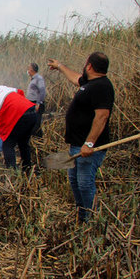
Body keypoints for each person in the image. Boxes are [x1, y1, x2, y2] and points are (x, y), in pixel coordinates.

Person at [47, 52, 114, 222]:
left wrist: (89, 143)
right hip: (76, 145)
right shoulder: (90, 83)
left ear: (89, 66)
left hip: (88, 147)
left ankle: (92, 220)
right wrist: (60, 66)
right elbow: (76, 78)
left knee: (85, 183)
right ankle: (82, 215)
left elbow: (102, 117)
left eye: (85, 64)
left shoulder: (102, 86)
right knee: (74, 180)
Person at [26, 62, 46, 136]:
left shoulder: (39, 79)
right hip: (31, 104)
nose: (27, 71)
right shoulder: (33, 79)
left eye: (28, 69)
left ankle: (39, 142)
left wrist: (38, 103)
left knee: (36, 125)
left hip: (36, 104)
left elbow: (42, 91)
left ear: (31, 70)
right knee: (32, 123)